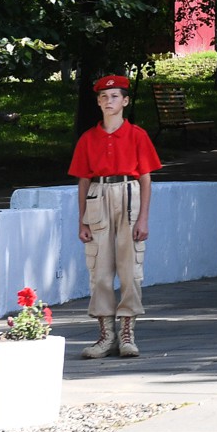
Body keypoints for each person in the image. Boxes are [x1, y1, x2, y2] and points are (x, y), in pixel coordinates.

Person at [68, 74, 161, 358]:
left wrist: (143, 218)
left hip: (129, 197)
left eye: (115, 97)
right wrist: (82, 219)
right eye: (104, 97)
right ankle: (106, 335)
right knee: (100, 271)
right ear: (98, 102)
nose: (109, 101)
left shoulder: (137, 135)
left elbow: (146, 179)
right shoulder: (88, 138)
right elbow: (83, 180)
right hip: (99, 197)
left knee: (130, 269)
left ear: (125, 101)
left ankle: (127, 333)